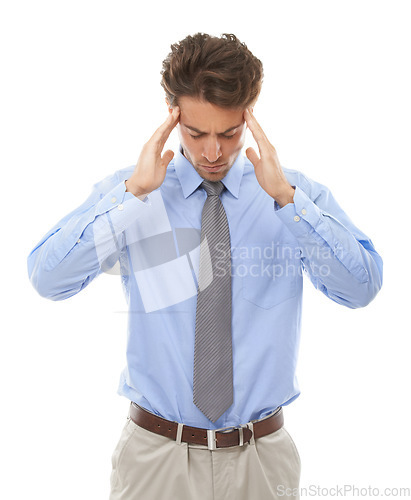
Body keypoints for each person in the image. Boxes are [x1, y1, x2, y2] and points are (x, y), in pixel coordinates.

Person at [27, 33, 383, 500]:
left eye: (229, 133)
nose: (212, 153)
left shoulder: (292, 196)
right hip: (155, 459)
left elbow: (361, 288)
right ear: (172, 114)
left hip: (262, 460)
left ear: (250, 111)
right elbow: (49, 280)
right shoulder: (134, 192)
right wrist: (132, 196)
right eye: (195, 134)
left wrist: (288, 202)